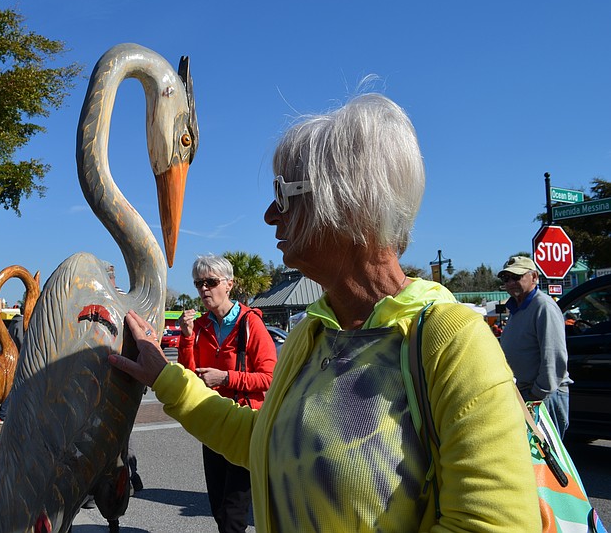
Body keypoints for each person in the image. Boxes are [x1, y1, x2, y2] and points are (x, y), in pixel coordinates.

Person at [110, 94, 540, 532]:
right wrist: (166, 378)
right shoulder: (314, 330)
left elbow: (492, 524)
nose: (269, 216)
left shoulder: (451, 340)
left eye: (283, 194)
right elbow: (264, 442)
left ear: (350, 203)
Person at [177, 254, 276, 533]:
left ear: (229, 284)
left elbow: (270, 378)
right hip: (213, 422)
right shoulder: (199, 326)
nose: (204, 289)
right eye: (199, 283)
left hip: (245, 424)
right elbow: (188, 375)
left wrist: (226, 377)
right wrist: (185, 337)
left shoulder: (249, 323)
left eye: (211, 281)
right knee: (219, 508)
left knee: (233, 513)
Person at [498, 255, 572, 437]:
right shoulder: (517, 308)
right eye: (506, 279)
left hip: (544, 398)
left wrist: (536, 394)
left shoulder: (543, 306)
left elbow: (554, 356)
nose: (510, 283)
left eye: (516, 277)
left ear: (534, 277)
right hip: (526, 396)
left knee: (549, 460)